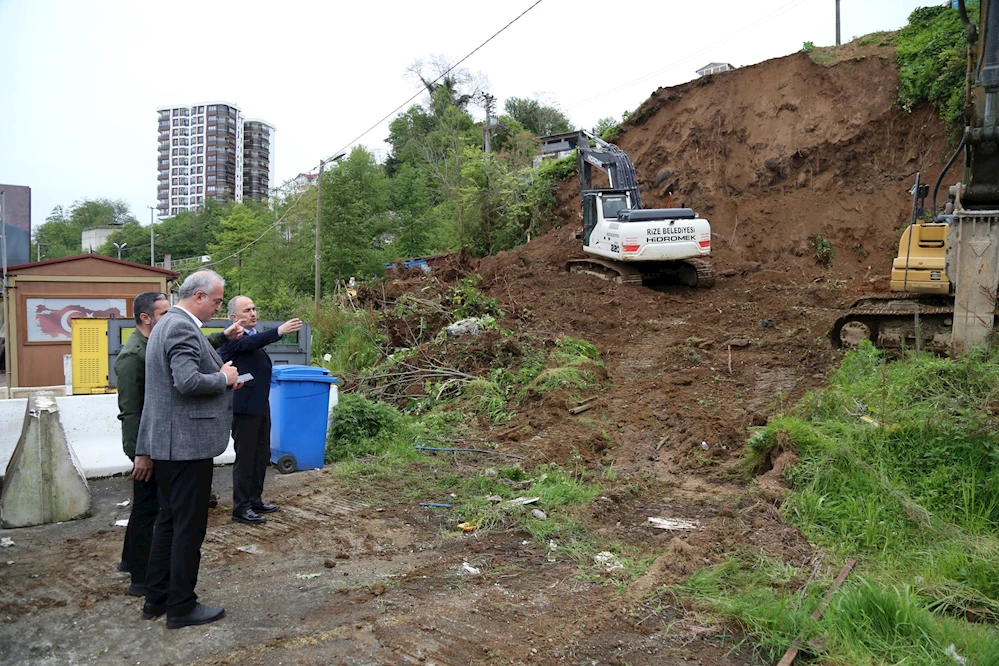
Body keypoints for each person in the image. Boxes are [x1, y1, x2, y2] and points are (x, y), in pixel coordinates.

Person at [114, 292, 242, 595]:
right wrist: (141, 452)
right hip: (172, 444)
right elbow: (140, 406)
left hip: (164, 442)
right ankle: (155, 587)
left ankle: (154, 591)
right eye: (217, 300)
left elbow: (189, 357)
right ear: (199, 296)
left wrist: (222, 340)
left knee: (166, 519)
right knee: (163, 519)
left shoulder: (164, 331)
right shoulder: (142, 349)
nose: (219, 307)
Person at [218, 296, 302, 525]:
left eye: (254, 308)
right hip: (244, 406)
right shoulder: (233, 338)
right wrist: (279, 331)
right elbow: (248, 346)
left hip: (259, 404)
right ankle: (241, 508)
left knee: (261, 455)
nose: (253, 313)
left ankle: (254, 499)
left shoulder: (252, 336)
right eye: (247, 310)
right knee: (246, 459)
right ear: (234, 317)